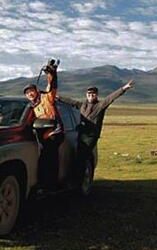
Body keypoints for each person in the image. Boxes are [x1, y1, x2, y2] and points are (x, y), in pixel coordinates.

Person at [59, 80, 135, 172]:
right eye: (89, 93)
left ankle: (79, 181)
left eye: (93, 94)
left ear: (96, 95)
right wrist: (58, 97)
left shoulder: (100, 106)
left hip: (91, 136)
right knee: (78, 157)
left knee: (82, 157)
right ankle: (77, 177)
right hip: (81, 134)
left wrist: (124, 88)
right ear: (86, 95)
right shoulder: (82, 105)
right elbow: (70, 101)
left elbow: (110, 98)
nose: (91, 95)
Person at [23, 59, 64, 189]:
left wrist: (51, 73)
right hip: (43, 135)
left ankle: (50, 186)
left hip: (54, 133)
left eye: (31, 90)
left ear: (36, 90)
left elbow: (52, 86)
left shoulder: (46, 98)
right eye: (27, 92)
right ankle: (45, 184)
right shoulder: (31, 107)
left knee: (49, 159)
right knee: (43, 160)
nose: (29, 93)